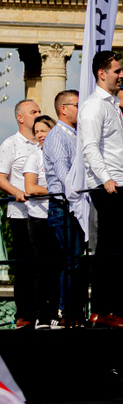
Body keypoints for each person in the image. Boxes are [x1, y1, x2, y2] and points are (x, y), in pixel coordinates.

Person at [78, 51, 123, 328]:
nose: (121, 75)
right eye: (117, 70)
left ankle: (113, 308)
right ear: (102, 73)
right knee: (109, 249)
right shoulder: (92, 106)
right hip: (107, 186)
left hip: (120, 186)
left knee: (121, 248)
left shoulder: (112, 104)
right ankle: (102, 311)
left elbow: (117, 148)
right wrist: (105, 179)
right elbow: (89, 146)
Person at [0, 98, 42, 327]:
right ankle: (24, 315)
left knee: (43, 264)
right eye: (33, 111)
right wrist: (17, 192)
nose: (38, 114)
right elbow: (0, 177)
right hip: (21, 214)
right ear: (20, 117)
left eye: (39, 111)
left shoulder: (43, 143)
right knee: (25, 266)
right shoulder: (10, 144)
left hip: (44, 214)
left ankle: (43, 312)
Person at [43, 89, 81, 323]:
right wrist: (76, 195)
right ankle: (67, 312)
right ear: (63, 109)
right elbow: (62, 171)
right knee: (71, 259)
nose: (81, 109)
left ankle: (74, 311)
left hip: (75, 204)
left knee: (76, 260)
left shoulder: (76, 135)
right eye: (77, 105)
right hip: (63, 205)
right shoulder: (57, 135)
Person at [21, 114, 59, 329]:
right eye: (36, 132)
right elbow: (30, 188)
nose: (39, 135)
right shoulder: (34, 157)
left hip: (59, 217)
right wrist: (57, 191)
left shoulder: (62, 154)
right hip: (39, 218)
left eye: (43, 130)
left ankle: (56, 312)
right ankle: (41, 316)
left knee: (59, 267)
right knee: (43, 268)